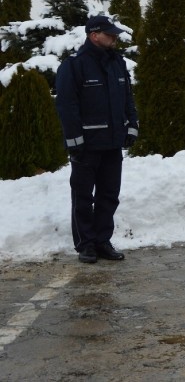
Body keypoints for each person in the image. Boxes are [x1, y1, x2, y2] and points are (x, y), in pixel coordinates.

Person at [55, 15, 138, 264]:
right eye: (109, 34)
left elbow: (128, 99)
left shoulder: (117, 63)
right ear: (94, 35)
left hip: (113, 143)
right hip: (87, 145)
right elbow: (67, 105)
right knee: (83, 196)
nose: (114, 38)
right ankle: (86, 244)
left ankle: (102, 241)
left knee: (109, 194)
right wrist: (74, 140)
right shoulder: (74, 65)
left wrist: (132, 126)